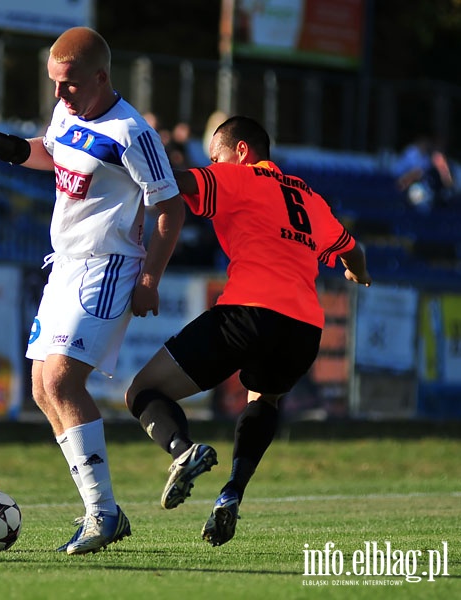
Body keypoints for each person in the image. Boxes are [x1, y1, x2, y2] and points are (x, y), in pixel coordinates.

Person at [0, 27, 185, 555]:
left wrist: (149, 278)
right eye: (54, 83)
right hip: (64, 264)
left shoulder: (132, 133)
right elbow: (50, 153)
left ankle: (102, 514)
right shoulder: (68, 113)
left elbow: (169, 208)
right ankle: (105, 513)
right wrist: (0, 145)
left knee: (61, 380)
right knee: (41, 386)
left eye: (70, 84)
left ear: (101, 77)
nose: (59, 94)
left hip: (108, 266)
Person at [124, 115, 372, 547]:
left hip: (249, 313)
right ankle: (231, 494)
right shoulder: (309, 196)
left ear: (241, 152)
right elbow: (352, 248)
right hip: (304, 328)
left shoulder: (240, 179)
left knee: (143, 391)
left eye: (217, 157)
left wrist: (121, 157)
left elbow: (173, 181)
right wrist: (358, 274)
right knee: (265, 398)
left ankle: (184, 451)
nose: (215, 164)